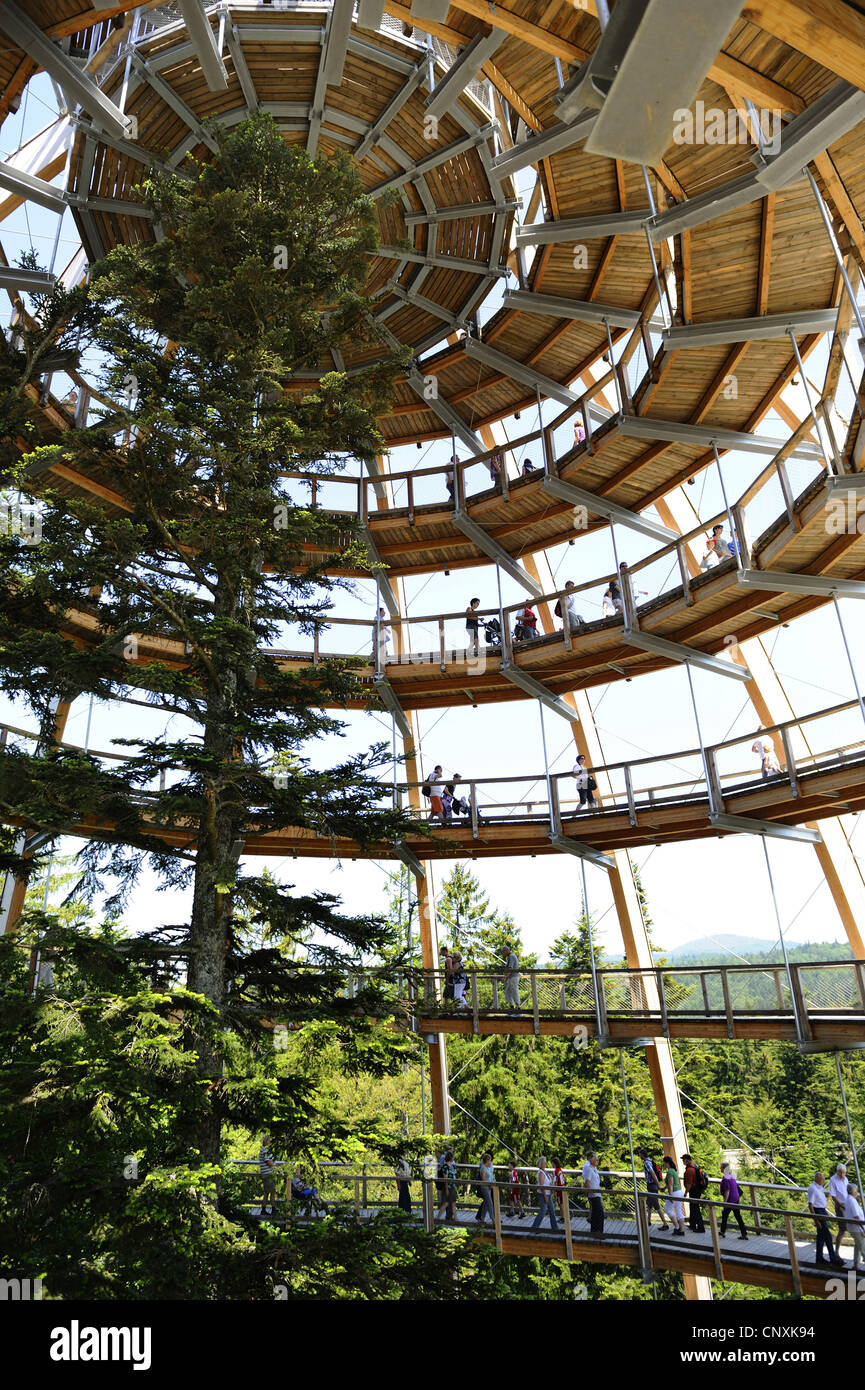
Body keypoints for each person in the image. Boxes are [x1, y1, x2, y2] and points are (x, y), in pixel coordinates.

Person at [807, 1171, 845, 1267]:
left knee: (821, 1237)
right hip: (818, 1212)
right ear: (818, 1179)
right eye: (822, 1178)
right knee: (828, 1236)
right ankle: (833, 1258)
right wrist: (816, 1220)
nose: (824, 1180)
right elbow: (810, 1205)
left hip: (822, 1211)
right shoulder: (813, 1188)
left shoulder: (819, 1187)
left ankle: (819, 1258)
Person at [638, 1147, 668, 1230]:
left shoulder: (647, 1163)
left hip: (652, 1186)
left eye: (640, 1154)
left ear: (642, 1155)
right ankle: (648, 1220)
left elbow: (653, 1174)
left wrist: (658, 1186)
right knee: (649, 1203)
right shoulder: (650, 1161)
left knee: (656, 1204)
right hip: (651, 1186)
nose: (639, 1156)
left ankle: (665, 1223)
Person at [719, 1161, 748, 1240]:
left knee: (725, 1215)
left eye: (721, 1167)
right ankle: (744, 1234)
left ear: (724, 1168)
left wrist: (725, 1202)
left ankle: (722, 1231)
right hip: (736, 1198)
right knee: (737, 1216)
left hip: (730, 1200)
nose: (720, 1168)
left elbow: (727, 1191)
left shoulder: (726, 1178)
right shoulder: (731, 1175)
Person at [531, 1157, 559, 1232]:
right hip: (544, 1195)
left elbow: (548, 1183)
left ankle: (555, 1228)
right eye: (544, 1162)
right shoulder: (541, 1173)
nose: (546, 1164)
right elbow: (542, 1186)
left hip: (548, 1194)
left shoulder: (545, 1172)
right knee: (543, 1212)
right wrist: (545, 1197)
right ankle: (534, 1227)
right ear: (541, 1164)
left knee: (552, 1211)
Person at [681, 1153, 705, 1233]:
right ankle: (693, 1224)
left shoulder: (689, 1170)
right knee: (693, 1207)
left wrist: (685, 1193)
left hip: (694, 1190)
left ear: (687, 1161)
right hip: (697, 1190)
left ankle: (701, 1227)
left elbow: (689, 1183)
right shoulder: (694, 1166)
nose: (683, 1162)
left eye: (683, 1160)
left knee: (695, 1208)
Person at [582, 1151, 604, 1236]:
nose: (597, 1160)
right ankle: (599, 1232)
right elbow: (587, 1183)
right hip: (593, 1195)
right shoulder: (588, 1168)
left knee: (595, 1214)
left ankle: (594, 1231)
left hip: (597, 1193)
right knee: (599, 1214)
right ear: (591, 1160)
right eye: (596, 1159)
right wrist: (588, 1194)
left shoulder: (594, 1168)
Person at [664, 1157, 686, 1235]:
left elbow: (671, 1184)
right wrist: (664, 1188)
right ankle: (682, 1230)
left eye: (664, 1162)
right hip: (679, 1192)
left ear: (667, 1163)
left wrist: (670, 1196)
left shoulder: (670, 1171)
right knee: (678, 1210)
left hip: (674, 1193)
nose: (663, 1164)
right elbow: (671, 1183)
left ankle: (676, 1227)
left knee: (667, 1209)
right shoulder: (674, 1170)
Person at [846, 1183, 865, 1271]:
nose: (857, 1193)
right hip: (856, 1227)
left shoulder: (849, 1199)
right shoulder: (852, 1201)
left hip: (854, 1227)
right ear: (853, 1192)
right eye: (856, 1191)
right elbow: (856, 1216)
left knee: (858, 1246)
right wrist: (863, 1228)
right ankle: (855, 1265)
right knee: (863, 1247)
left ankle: (855, 1265)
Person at [259, 1132, 277, 1217]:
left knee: (266, 1193)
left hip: (266, 1174)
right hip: (267, 1174)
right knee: (272, 1192)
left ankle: (264, 1210)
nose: (270, 1142)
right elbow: (268, 1162)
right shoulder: (264, 1150)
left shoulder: (263, 1149)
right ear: (266, 1141)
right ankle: (273, 1209)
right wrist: (276, 1167)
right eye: (269, 1140)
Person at [829, 1163, 848, 1238]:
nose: (843, 1174)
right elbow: (833, 1196)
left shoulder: (846, 1179)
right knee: (842, 1229)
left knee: (852, 1225)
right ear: (838, 1172)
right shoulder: (833, 1179)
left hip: (847, 1205)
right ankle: (837, 1249)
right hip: (840, 1206)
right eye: (842, 1172)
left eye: (844, 1172)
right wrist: (841, 1204)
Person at [475, 1152, 495, 1225]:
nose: (490, 1162)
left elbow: (491, 1177)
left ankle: (482, 1218)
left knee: (486, 1203)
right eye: (489, 1160)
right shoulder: (483, 1168)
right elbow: (483, 1179)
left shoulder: (488, 1168)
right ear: (487, 1161)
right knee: (490, 1203)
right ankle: (493, 1219)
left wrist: (493, 1182)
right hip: (485, 1187)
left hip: (489, 1187)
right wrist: (489, 1185)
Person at [501, 942, 521, 1012]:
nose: (503, 954)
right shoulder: (512, 956)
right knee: (508, 990)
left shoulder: (511, 956)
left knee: (514, 990)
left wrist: (505, 977)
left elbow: (510, 968)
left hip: (513, 976)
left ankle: (518, 1006)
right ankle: (512, 1005)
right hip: (512, 976)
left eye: (503, 952)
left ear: (506, 951)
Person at [442, 1149, 459, 1222]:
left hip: (453, 1185)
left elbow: (454, 1174)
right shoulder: (445, 1167)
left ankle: (451, 1216)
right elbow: (445, 1177)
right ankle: (448, 1216)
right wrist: (446, 1188)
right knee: (449, 1202)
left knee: (453, 1201)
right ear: (450, 1158)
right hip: (448, 1186)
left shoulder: (453, 1166)